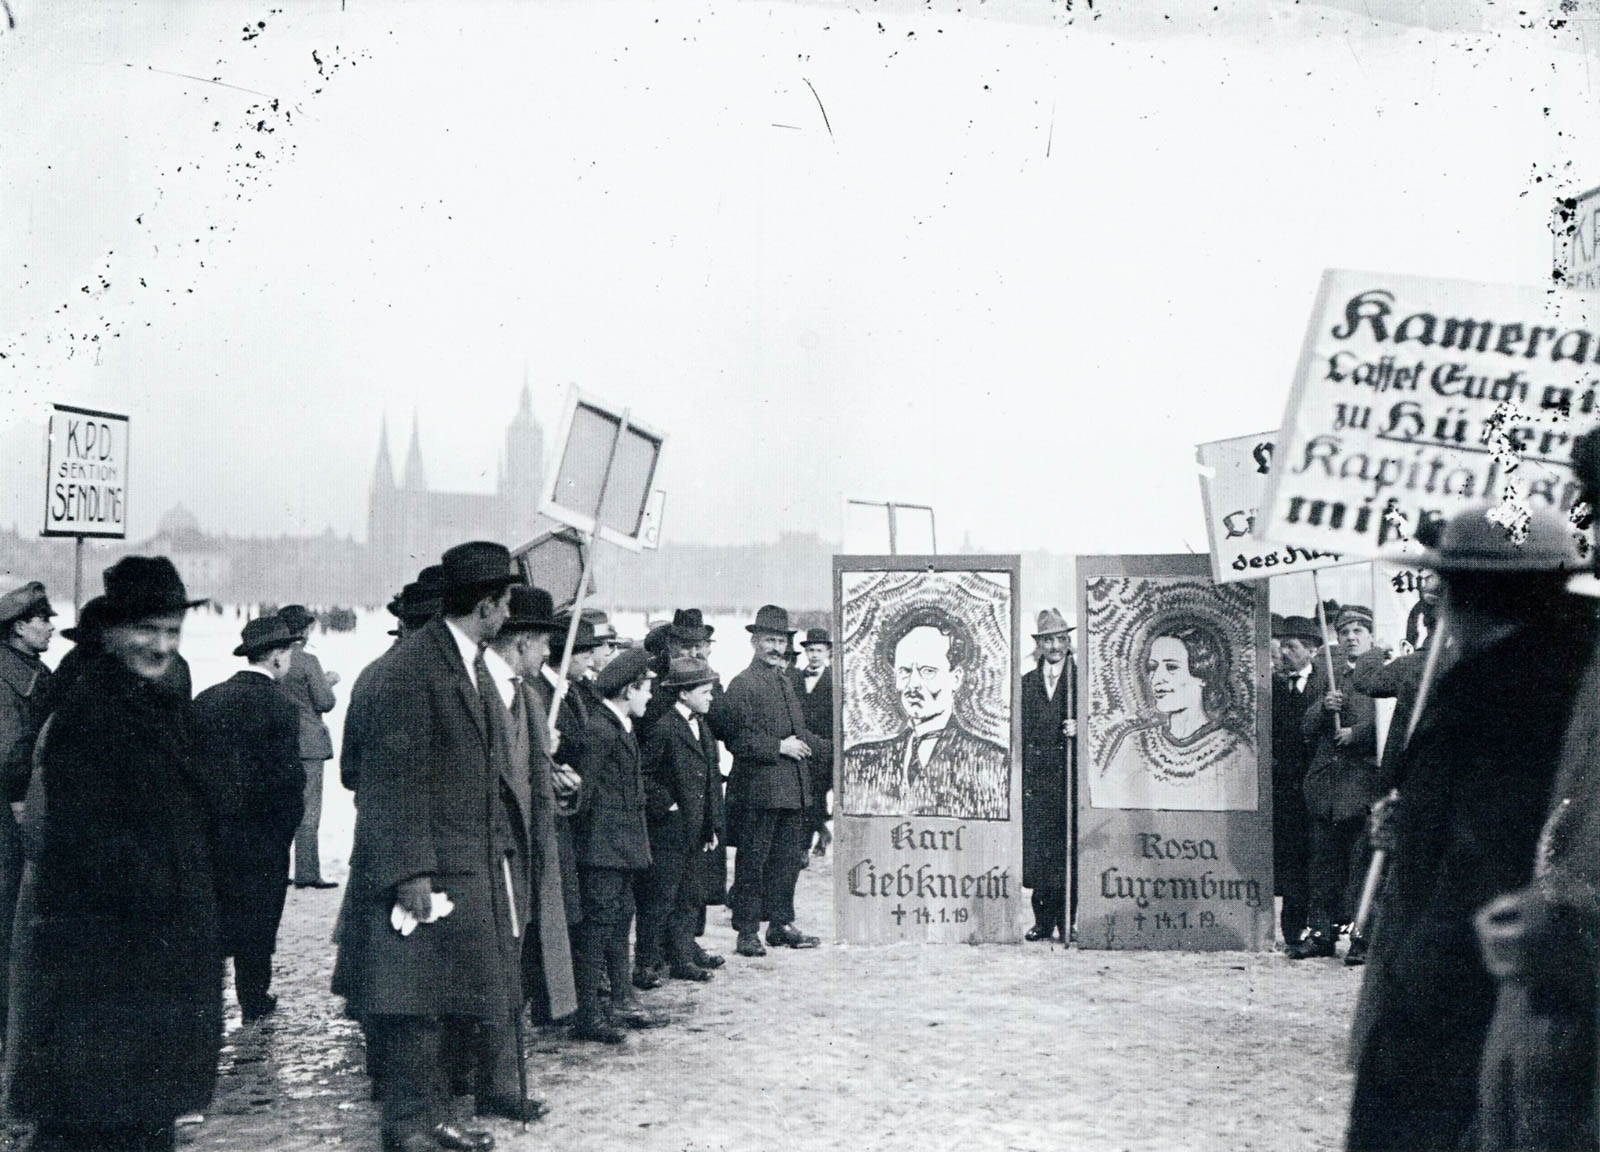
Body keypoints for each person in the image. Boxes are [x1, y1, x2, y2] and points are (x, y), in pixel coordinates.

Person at [1344, 504, 1595, 1152]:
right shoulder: (1572, 671)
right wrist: (1413, 822)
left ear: (1463, 594)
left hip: (1474, 978)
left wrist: (1413, 1004)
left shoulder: (1499, 687)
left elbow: (1481, 855)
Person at [5, 556, 217, 1152]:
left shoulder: (153, 703)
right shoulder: (92, 713)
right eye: (147, 629)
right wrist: (169, 907)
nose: (162, 645)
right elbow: (87, 853)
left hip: (146, 966)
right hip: (109, 970)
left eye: (172, 630)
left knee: (133, 1123)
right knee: (96, 1125)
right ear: (111, 632)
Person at [338, 541, 525, 1152]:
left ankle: (432, 1116)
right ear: (486, 606)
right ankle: (409, 1126)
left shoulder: (461, 661)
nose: (508, 615)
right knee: (413, 1005)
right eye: (504, 603)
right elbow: (392, 778)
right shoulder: (414, 668)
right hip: (428, 870)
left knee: (443, 999)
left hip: (464, 863)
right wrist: (410, 873)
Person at [478, 583, 575, 1120]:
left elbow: (534, 781)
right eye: (544, 644)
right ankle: (491, 1082)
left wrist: (559, 781)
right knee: (490, 974)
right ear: (522, 642)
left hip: (527, 860)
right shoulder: (476, 691)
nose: (547, 654)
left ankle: (501, 1083)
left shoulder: (530, 697)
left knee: (509, 972)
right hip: (488, 859)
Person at [192, 615, 306, 1024]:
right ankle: (253, 999)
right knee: (258, 921)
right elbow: (290, 782)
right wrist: (282, 835)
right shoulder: (281, 705)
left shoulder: (206, 699)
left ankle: (205, 1002)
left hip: (210, 834)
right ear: (276, 657)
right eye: (288, 653)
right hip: (262, 839)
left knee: (213, 917)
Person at [708, 604, 823, 957]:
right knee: (753, 864)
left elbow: (799, 732)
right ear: (755, 642)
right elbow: (735, 739)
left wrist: (837, 747)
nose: (776, 648)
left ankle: (780, 924)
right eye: (770, 640)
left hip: (792, 790)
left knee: (787, 862)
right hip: (758, 791)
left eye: (781, 641)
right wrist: (779, 747)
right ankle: (746, 931)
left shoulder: (783, 681)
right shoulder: (743, 684)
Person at [570, 647, 667, 1042]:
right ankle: (588, 1015)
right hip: (602, 851)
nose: (650, 697)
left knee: (617, 921)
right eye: (646, 689)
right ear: (629, 690)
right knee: (596, 931)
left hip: (621, 850)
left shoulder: (618, 726)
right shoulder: (601, 730)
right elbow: (582, 796)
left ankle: (620, 1000)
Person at [841, 606, 1009, 820]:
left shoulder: (991, 763)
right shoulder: (860, 763)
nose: (913, 685)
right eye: (905, 671)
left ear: (956, 678)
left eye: (928, 671)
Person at [1290, 605, 1384, 962]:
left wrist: (1357, 733)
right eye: (1344, 632)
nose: (1350, 638)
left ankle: (1362, 939)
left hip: (1362, 788)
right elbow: (1306, 728)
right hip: (1326, 790)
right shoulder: (1327, 675)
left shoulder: (1383, 673)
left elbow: (1390, 723)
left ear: (1371, 636)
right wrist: (1323, 707)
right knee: (1323, 869)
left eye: (1358, 631)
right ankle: (1320, 934)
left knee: (1362, 869)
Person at [1095, 621, 1256, 812]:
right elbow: (1106, 804)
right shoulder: (1134, 744)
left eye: (1171, 667)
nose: (1156, 679)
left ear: (1203, 674)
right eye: (1152, 667)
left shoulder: (1235, 752)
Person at [637, 656, 726, 984]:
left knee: (689, 896)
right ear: (684, 694)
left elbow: (711, 778)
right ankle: (646, 963)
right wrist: (669, 805)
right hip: (669, 832)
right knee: (660, 899)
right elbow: (643, 775)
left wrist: (711, 824)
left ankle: (682, 959)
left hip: (696, 830)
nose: (711, 697)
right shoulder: (665, 727)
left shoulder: (702, 726)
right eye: (705, 692)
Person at [0, 581, 54, 1040]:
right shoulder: (7, 675)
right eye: (42, 620)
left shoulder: (30, 669)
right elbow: (10, 751)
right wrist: (21, 802)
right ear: (19, 627)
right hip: (11, 812)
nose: (51, 627)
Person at [1021, 609, 1075, 943]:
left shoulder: (1081, 680)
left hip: (1068, 779)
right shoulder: (1027, 683)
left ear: (1068, 642)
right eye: (1048, 640)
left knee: (1067, 852)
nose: (1055, 646)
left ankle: (1067, 921)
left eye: (1060, 639)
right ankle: (1042, 921)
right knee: (1041, 853)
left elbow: (1100, 720)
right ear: (1039, 645)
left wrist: (1080, 727)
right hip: (1038, 782)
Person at [279, 604, 339, 890]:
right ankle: (307, 872)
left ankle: (277, 871)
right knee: (308, 810)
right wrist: (328, 682)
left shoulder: (275, 660)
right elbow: (324, 702)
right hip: (309, 745)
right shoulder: (308, 661)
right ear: (303, 631)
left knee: (281, 808)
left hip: (280, 742)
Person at [1271, 615, 1319, 949]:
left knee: (1311, 860)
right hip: (1283, 787)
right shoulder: (1274, 687)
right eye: (1283, 646)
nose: (1284, 653)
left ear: (1311, 650)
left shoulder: (1325, 686)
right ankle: (1291, 931)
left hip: (1312, 786)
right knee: (1289, 859)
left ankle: (1315, 928)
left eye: (1292, 646)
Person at [791, 627, 835, 858]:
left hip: (824, 750)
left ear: (828, 652)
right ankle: (818, 834)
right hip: (799, 748)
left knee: (816, 796)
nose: (814, 655)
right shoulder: (794, 678)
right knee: (801, 798)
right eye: (810, 650)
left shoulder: (835, 680)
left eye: (819, 650)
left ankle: (804, 848)